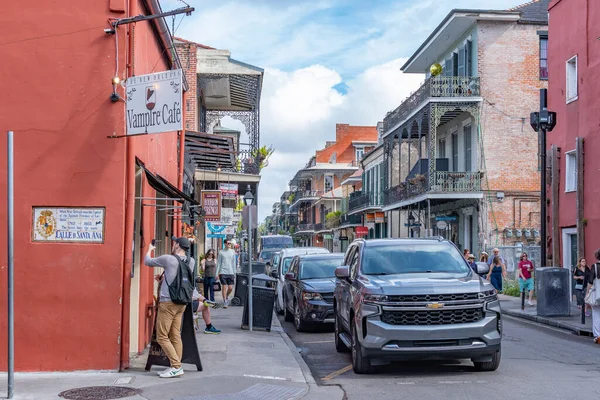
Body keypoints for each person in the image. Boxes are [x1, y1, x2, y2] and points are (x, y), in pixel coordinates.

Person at [145, 235, 194, 378]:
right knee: (175, 335)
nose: (173, 245)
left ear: (178, 246)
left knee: (161, 337)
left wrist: (149, 249)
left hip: (168, 302)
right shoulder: (191, 261)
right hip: (182, 303)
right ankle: (175, 366)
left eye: (175, 243)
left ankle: (176, 366)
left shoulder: (169, 259)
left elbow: (147, 262)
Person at [216, 239, 237, 307]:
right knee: (224, 287)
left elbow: (234, 262)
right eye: (228, 243)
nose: (229, 245)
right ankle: (225, 301)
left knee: (230, 288)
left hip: (230, 272)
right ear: (225, 244)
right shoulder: (221, 252)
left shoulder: (233, 252)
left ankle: (227, 296)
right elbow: (219, 263)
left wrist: (234, 272)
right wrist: (217, 273)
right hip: (223, 272)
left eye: (230, 243)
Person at [587, 250, 600, 344]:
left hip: (597, 295)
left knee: (596, 315)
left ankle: (597, 335)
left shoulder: (595, 267)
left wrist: (587, 293)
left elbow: (590, 282)